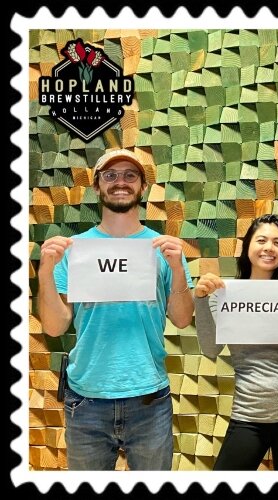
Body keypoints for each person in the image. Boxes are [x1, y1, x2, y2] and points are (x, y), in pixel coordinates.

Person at [37, 148, 195, 470]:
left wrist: (178, 270)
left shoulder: (164, 250)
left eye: (129, 175)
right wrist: (44, 275)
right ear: (97, 186)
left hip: (150, 399)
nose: (120, 182)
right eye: (110, 175)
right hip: (86, 400)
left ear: (142, 187)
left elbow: (181, 319)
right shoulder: (74, 249)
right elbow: (55, 327)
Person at [194, 214, 278, 470]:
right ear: (248, 247)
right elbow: (210, 350)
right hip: (248, 413)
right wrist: (200, 299)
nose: (269, 248)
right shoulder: (225, 295)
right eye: (261, 240)